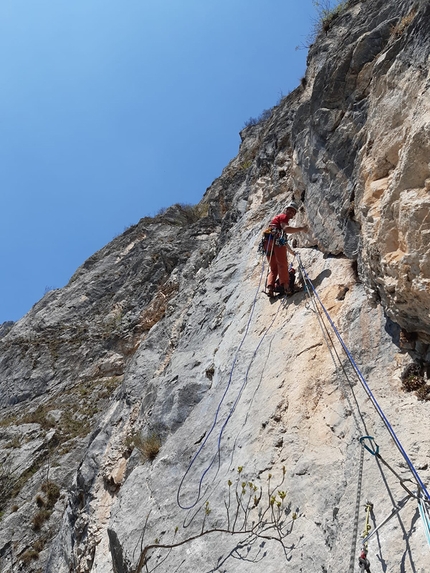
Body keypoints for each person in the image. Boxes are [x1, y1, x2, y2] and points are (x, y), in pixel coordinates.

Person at [262, 201, 308, 297]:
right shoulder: (283, 217)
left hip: (267, 243)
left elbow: (284, 241)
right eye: (290, 211)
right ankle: (287, 288)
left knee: (274, 268)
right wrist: (301, 228)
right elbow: (286, 229)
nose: (291, 213)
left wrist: (291, 252)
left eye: (293, 212)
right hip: (276, 242)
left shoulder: (276, 220)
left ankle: (270, 288)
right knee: (282, 265)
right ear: (286, 210)